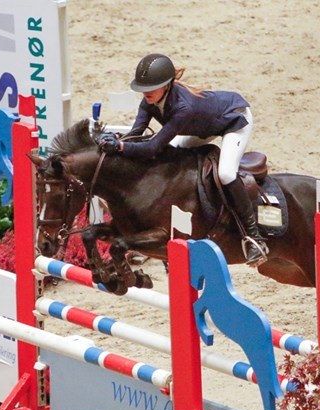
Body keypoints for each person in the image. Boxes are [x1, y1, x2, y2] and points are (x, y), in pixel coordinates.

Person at [98, 53, 268, 266]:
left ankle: (253, 237)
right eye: (143, 88)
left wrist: (120, 146)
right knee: (172, 153)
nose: (146, 92)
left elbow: (152, 147)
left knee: (226, 173)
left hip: (234, 119)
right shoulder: (148, 102)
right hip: (202, 127)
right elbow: (136, 135)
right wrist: (115, 140)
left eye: (151, 87)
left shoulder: (183, 108)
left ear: (166, 85)